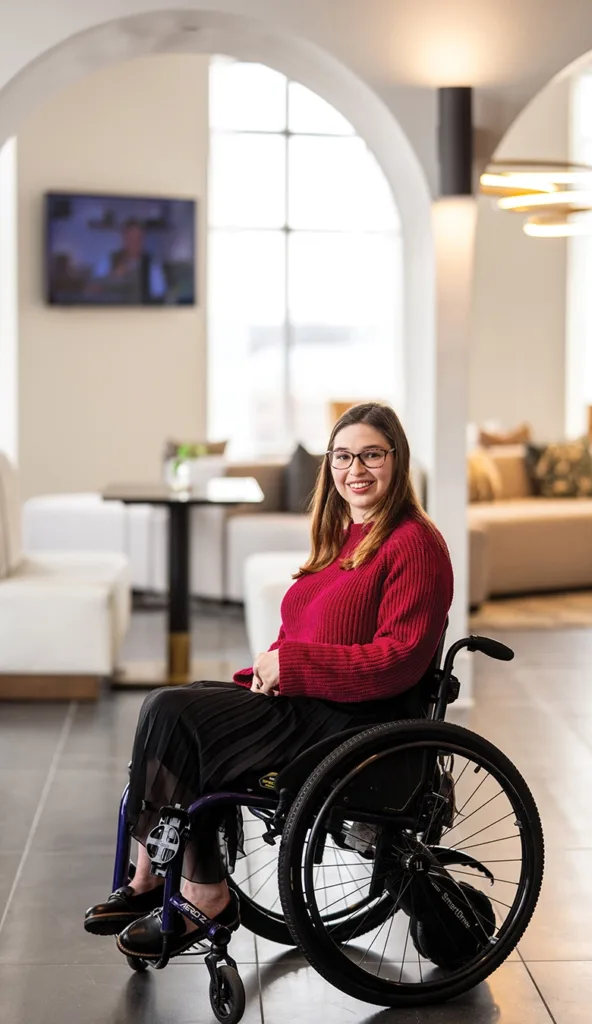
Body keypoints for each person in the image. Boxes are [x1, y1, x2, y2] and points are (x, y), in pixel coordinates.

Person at [83, 402, 454, 959]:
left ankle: (197, 892)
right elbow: (300, 635)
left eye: (371, 455)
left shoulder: (414, 543)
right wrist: (261, 674)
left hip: (352, 723)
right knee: (178, 705)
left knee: (171, 709)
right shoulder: (345, 538)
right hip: (308, 704)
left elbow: (397, 661)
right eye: (343, 457)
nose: (355, 469)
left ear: (397, 461)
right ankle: (150, 877)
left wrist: (293, 667)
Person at [89, 218, 166, 303]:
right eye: (130, 238)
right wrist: (112, 276)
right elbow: (91, 290)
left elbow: (159, 295)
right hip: (112, 309)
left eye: (138, 238)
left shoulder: (152, 263)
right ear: (123, 238)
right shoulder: (109, 259)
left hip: (139, 309)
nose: (134, 243)